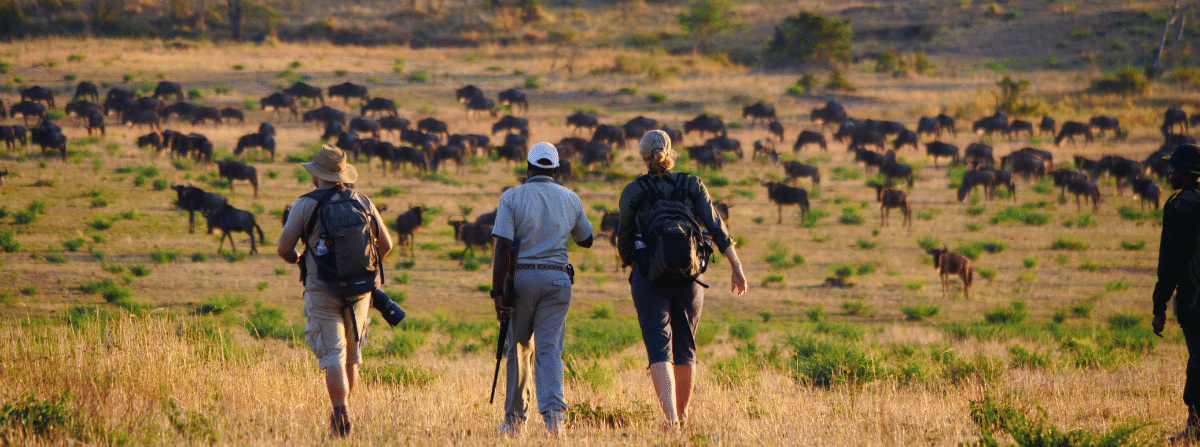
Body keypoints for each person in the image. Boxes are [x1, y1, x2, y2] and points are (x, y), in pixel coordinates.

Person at [617, 130, 747, 430]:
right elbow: (715, 225)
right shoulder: (691, 184)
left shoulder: (634, 190)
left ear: (642, 156)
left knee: (658, 348)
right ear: (670, 152)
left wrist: (633, 264)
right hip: (690, 278)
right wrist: (735, 265)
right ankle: (684, 418)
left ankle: (670, 418)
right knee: (686, 348)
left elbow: (623, 235)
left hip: (649, 277)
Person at [276, 145, 392, 438]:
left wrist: (300, 260)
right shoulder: (362, 200)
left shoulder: (305, 204)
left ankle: (341, 414)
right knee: (351, 356)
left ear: (317, 176)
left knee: (333, 356)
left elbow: (284, 248)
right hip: (361, 290)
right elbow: (386, 246)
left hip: (322, 289)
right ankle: (344, 411)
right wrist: (358, 268)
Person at [491, 142, 594, 436]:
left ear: (527, 168)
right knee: (549, 349)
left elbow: (502, 248)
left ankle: (514, 422)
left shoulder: (512, 197)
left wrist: (498, 293)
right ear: (556, 170)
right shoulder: (570, 198)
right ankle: (555, 419)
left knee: (519, 349)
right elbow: (586, 239)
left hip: (521, 280)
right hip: (557, 280)